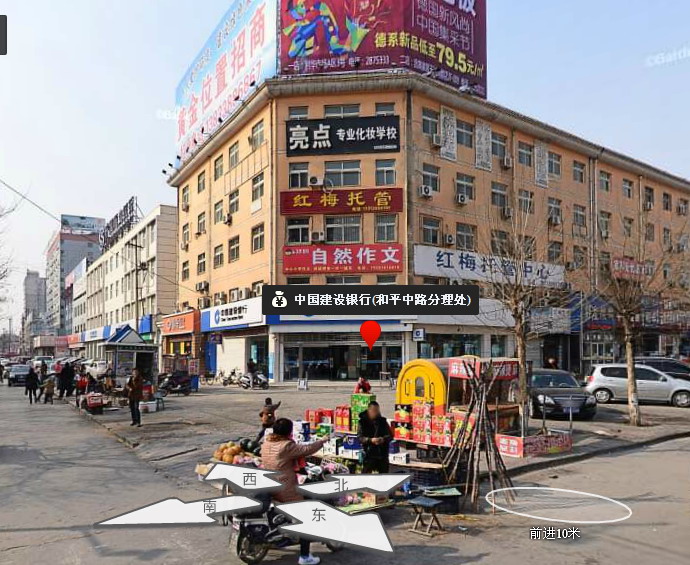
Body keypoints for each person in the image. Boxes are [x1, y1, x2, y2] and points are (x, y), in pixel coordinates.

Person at [261, 418, 328, 565]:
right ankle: (305, 556)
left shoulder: (266, 443)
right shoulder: (286, 446)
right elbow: (306, 450)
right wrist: (322, 441)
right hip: (285, 489)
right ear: (289, 432)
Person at [357, 401, 392, 474]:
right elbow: (360, 438)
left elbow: (390, 436)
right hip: (369, 454)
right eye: (374, 411)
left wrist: (383, 439)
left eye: (377, 410)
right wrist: (370, 440)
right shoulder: (362, 422)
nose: (376, 413)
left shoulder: (382, 421)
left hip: (382, 454)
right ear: (369, 410)